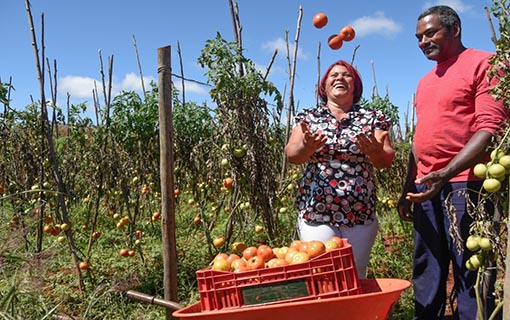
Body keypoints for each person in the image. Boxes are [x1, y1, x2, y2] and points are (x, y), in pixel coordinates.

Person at [397, 5, 508, 320]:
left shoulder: (484, 63)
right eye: (419, 37)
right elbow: (420, 140)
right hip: (427, 187)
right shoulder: (424, 81)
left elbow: (490, 128)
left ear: (455, 29)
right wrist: (409, 186)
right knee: (427, 265)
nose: (423, 41)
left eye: (430, 33)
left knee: (469, 267)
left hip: (467, 184)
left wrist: (445, 174)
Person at [285, 59, 395, 279]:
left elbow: (386, 160)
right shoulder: (309, 118)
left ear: (355, 86)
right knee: (322, 273)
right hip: (317, 210)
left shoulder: (372, 118)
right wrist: (306, 148)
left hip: (360, 211)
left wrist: (374, 152)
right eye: (333, 75)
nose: (339, 78)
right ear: (324, 87)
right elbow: (292, 155)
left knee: (356, 274)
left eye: (346, 75)